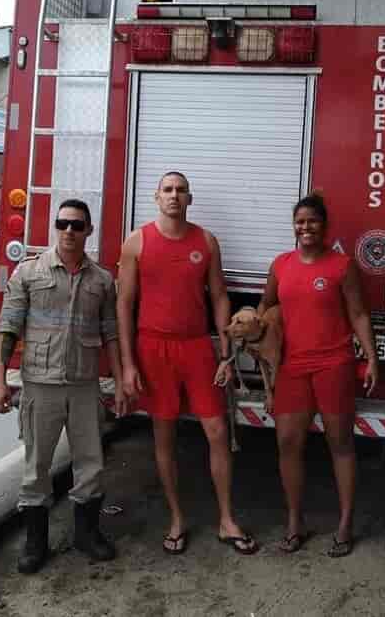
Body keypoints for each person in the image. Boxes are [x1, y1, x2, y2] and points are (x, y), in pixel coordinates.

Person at [117, 171, 258, 556]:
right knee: (164, 435)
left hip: (197, 348)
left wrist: (227, 353)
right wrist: (129, 365)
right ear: (155, 196)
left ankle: (227, 520)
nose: (174, 196)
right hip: (153, 348)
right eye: (167, 189)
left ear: (189, 199)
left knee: (216, 430)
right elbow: (124, 306)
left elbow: (219, 299)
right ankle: (177, 518)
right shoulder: (137, 242)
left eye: (180, 190)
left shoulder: (205, 241)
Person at [0, 199, 125, 573]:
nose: (69, 230)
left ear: (89, 231)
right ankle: (36, 543)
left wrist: (118, 379)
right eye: (63, 223)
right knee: (37, 467)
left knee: (91, 464)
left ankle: (86, 534)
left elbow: (111, 334)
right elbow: (7, 326)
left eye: (77, 225)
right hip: (40, 385)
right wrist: (1, 380)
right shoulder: (28, 273)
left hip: (84, 386)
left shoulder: (102, 280)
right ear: (55, 227)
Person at [258, 193, 378, 557]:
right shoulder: (280, 265)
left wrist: (371, 357)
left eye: (312, 221)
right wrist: (257, 329)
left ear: (324, 226)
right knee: (287, 443)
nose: (305, 227)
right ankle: (295, 523)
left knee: (340, 444)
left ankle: (344, 525)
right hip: (292, 367)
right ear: (293, 227)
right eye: (299, 221)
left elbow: (358, 314)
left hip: (334, 365)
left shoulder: (342, 266)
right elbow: (266, 306)